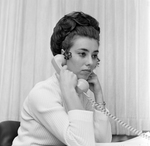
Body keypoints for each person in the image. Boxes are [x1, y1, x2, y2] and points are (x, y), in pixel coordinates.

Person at [12, 11, 112, 146]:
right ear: (63, 56)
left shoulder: (80, 94)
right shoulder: (42, 93)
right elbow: (82, 143)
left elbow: (102, 141)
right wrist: (69, 91)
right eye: (82, 53)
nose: (90, 62)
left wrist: (99, 96)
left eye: (94, 55)